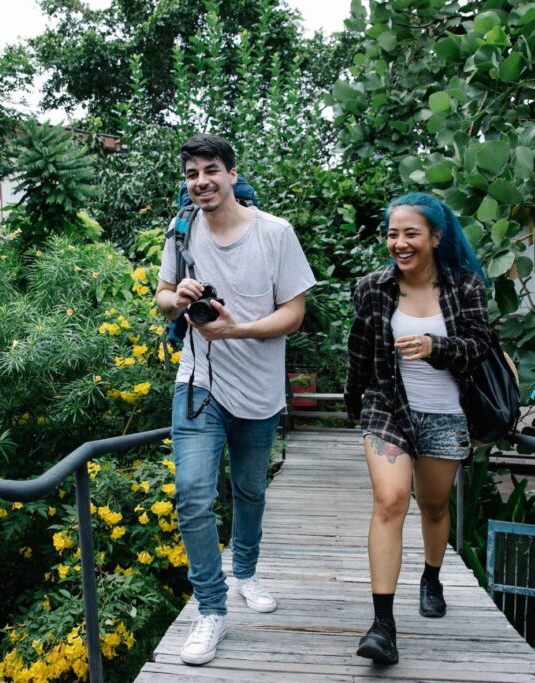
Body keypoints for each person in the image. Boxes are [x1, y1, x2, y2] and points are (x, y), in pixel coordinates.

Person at [154, 134, 316, 666]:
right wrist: (175, 300)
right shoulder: (180, 232)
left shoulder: (275, 233)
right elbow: (160, 298)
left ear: (230, 173)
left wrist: (237, 330)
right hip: (198, 384)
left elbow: (294, 314)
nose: (201, 181)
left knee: (249, 490)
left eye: (211, 170)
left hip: (260, 390)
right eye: (192, 173)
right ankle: (211, 609)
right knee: (193, 494)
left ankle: (245, 571)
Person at [344, 192, 491, 665]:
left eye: (411, 233)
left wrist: (434, 346)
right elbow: (360, 351)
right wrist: (355, 407)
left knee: (433, 505)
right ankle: (382, 625)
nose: (399, 243)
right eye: (392, 233)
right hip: (388, 410)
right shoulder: (372, 288)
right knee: (390, 501)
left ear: (435, 237)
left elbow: (477, 349)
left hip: (446, 414)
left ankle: (431, 575)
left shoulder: (465, 287)